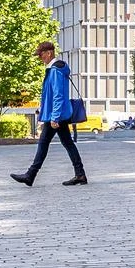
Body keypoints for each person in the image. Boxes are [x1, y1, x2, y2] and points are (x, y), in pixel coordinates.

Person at [12, 41, 87, 187]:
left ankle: (30, 175)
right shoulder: (54, 69)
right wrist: (44, 109)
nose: (40, 58)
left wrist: (54, 117)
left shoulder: (55, 70)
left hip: (57, 115)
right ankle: (80, 174)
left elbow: (58, 95)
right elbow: (50, 95)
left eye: (41, 55)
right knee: (67, 143)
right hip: (57, 113)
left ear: (49, 53)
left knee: (44, 143)